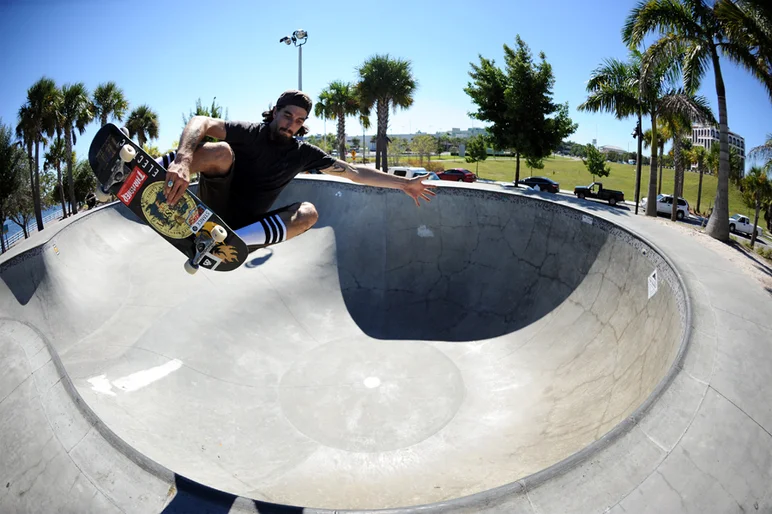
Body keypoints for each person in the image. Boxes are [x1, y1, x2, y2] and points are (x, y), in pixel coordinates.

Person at [160, 90, 437, 250]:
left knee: (309, 213)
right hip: (213, 203)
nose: (291, 124)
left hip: (248, 226)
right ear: (275, 112)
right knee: (222, 151)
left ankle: (230, 245)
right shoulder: (249, 133)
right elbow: (202, 121)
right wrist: (183, 158)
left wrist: (404, 185)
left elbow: (354, 172)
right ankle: (149, 170)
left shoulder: (303, 154)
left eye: (299, 120)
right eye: (287, 115)